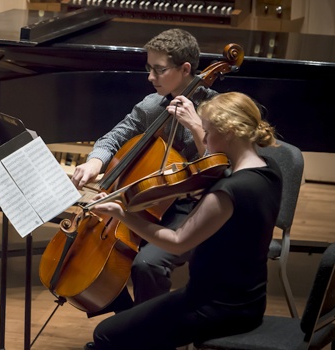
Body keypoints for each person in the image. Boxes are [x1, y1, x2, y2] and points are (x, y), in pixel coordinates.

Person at [83, 91, 281, 350]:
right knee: (133, 328)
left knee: (105, 334)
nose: (204, 139)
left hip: (215, 306)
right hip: (248, 300)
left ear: (230, 132)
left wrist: (122, 214)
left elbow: (177, 242)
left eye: (207, 132)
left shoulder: (228, 192)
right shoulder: (269, 169)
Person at [71, 28, 218, 306]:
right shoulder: (152, 106)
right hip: (147, 200)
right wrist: (95, 161)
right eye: (148, 68)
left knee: (146, 265)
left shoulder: (217, 110)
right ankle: (127, 321)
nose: (150, 77)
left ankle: (150, 327)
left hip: (194, 207)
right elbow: (114, 137)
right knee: (94, 257)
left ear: (185, 69)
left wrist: (196, 127)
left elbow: (221, 167)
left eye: (159, 70)